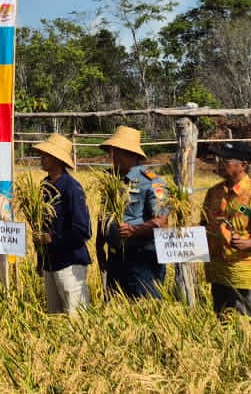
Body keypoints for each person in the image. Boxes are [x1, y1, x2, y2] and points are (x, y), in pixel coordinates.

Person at [200, 139, 251, 321]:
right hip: (219, 271)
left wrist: (245, 243)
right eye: (219, 160)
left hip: (246, 273)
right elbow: (204, 224)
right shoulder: (214, 192)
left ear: (243, 165)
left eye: (225, 161)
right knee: (223, 322)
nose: (220, 164)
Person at [95, 126, 169, 299]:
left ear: (133, 155)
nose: (114, 155)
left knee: (145, 307)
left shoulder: (152, 182)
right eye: (112, 151)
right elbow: (103, 215)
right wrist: (99, 247)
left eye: (119, 151)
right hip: (114, 258)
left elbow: (161, 221)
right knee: (115, 308)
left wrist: (134, 230)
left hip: (142, 259)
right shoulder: (109, 179)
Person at [31, 133, 91, 316]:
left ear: (58, 159)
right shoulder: (44, 186)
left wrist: (52, 239)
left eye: (46, 155)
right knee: (54, 318)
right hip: (51, 263)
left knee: (75, 317)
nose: (42, 158)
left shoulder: (71, 187)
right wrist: (41, 260)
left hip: (70, 264)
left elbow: (82, 230)